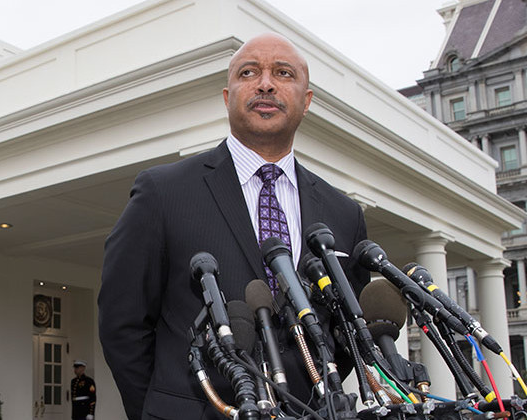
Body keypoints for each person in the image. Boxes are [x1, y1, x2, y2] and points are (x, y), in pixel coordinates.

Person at [99, 33, 369, 419]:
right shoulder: (162, 192)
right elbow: (121, 322)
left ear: (306, 102)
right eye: (249, 72)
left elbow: (345, 334)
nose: (265, 83)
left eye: (283, 73)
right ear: (228, 97)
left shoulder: (344, 213)